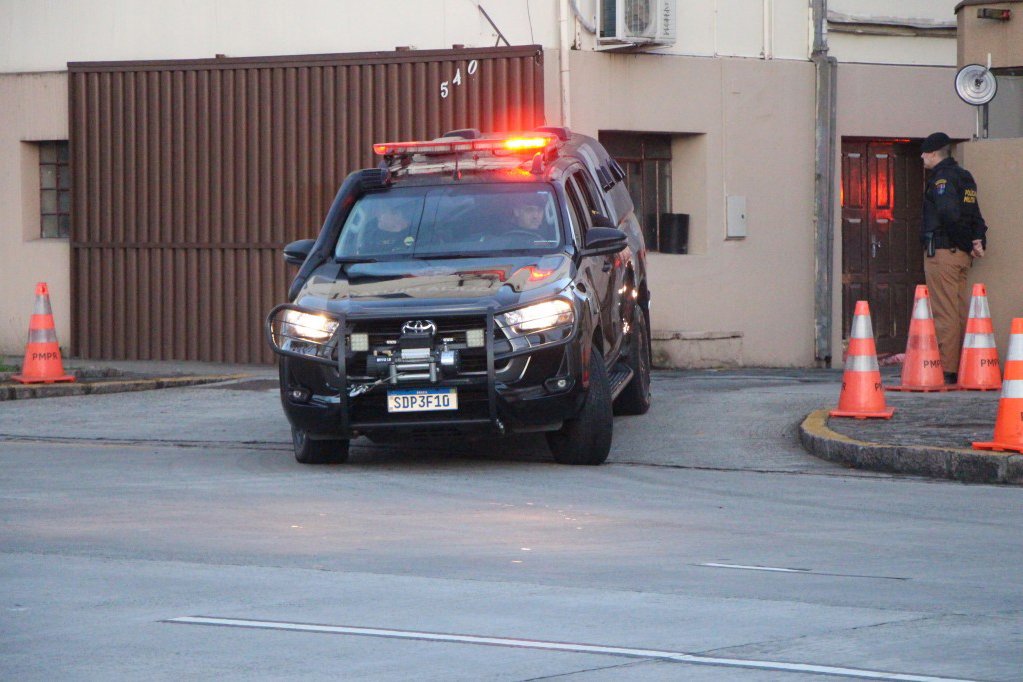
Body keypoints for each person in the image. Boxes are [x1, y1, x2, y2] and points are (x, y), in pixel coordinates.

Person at [920, 131, 988, 385]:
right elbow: (975, 215)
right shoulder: (965, 177)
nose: (922, 157)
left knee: (944, 312)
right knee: (958, 310)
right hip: (960, 256)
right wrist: (977, 241)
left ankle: (947, 369)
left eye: (924, 153)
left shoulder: (942, 180)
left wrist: (965, 242)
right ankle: (962, 364)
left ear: (934, 153)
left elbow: (949, 215)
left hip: (943, 253)